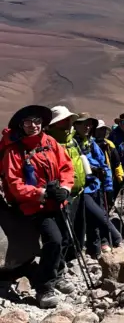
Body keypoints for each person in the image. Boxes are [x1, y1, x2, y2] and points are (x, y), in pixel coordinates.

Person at [1, 105, 75, 308]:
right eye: (27, 122)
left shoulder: (50, 142)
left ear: (42, 123)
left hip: (57, 200)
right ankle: (44, 287)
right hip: (33, 206)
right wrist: (41, 194)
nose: (33, 126)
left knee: (66, 238)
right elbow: (14, 184)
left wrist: (65, 188)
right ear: (20, 125)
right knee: (54, 240)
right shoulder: (14, 151)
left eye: (36, 121)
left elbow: (66, 167)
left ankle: (57, 273)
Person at [73, 114, 121, 256]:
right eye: (84, 124)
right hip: (83, 188)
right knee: (99, 216)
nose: (87, 127)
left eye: (89, 124)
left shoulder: (91, 142)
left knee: (94, 220)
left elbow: (104, 165)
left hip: (96, 186)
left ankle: (95, 251)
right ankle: (116, 238)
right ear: (76, 125)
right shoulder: (74, 143)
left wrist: (108, 186)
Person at [47, 105, 88, 252]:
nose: (68, 122)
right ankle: (63, 260)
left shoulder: (72, 140)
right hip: (64, 192)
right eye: (64, 119)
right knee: (65, 229)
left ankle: (75, 253)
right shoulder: (51, 143)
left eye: (68, 119)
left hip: (79, 189)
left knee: (78, 225)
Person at [94, 120, 124, 211]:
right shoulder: (89, 144)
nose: (102, 132)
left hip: (108, 180)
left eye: (103, 130)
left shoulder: (109, 144)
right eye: (100, 129)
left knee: (108, 203)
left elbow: (117, 163)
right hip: (94, 181)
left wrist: (120, 178)